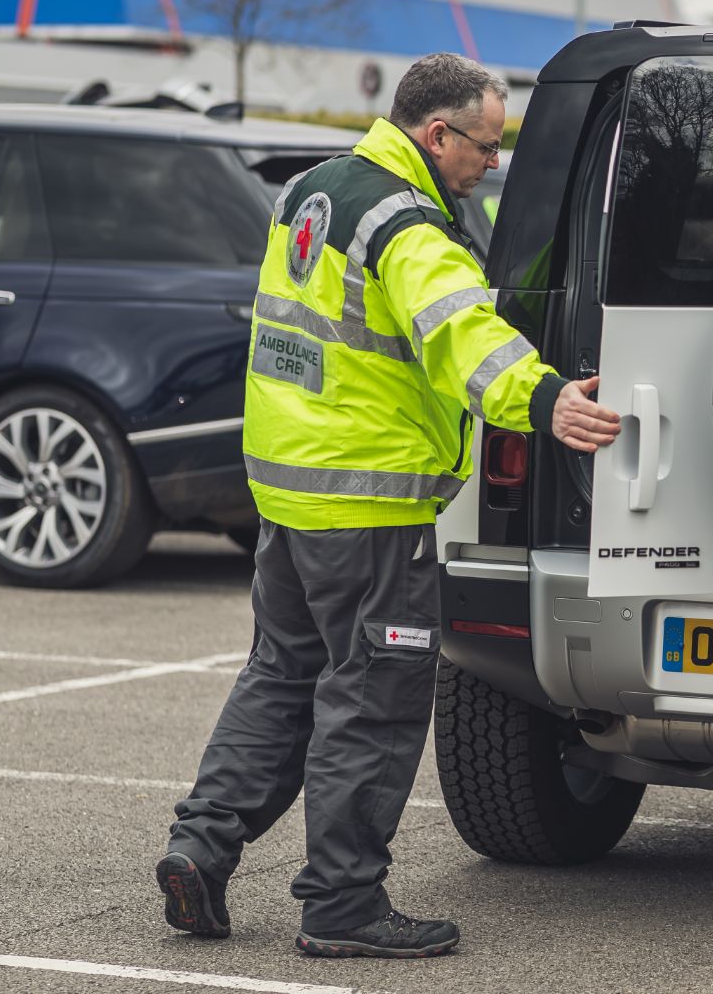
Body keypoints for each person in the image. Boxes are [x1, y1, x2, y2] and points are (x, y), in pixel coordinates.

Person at [156, 53, 619, 960]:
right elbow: (460, 330)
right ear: (436, 133)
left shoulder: (313, 190)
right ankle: (341, 905)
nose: (493, 163)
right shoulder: (408, 228)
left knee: (280, 680)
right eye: (485, 146)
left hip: (291, 492)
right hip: (369, 504)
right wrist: (543, 398)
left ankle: (198, 850)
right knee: (373, 701)